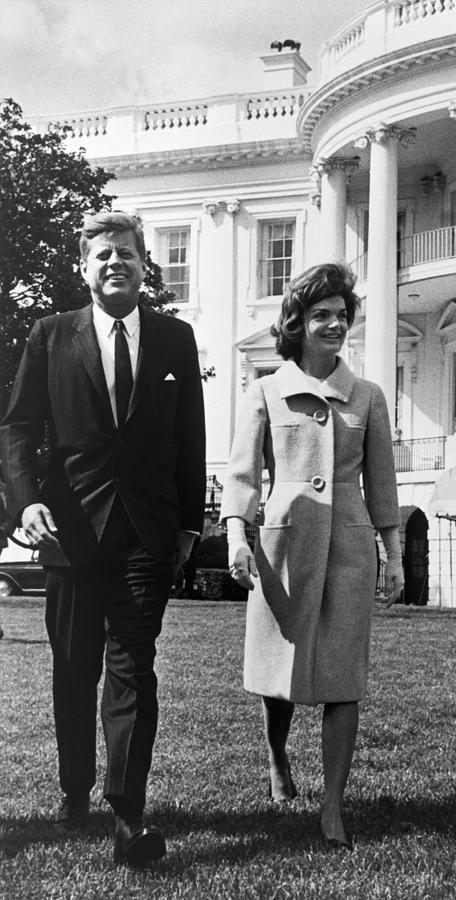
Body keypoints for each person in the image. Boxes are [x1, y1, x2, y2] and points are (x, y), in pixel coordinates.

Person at [0, 211, 206, 866]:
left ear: (145, 265)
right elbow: (16, 428)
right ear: (83, 269)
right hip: (68, 531)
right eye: (102, 256)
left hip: (145, 532)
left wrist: (189, 524)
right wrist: (26, 502)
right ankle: (74, 791)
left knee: (132, 667)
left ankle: (127, 815)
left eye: (126, 254)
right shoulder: (50, 336)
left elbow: (188, 436)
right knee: (73, 668)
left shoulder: (176, 339)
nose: (114, 263)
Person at [221, 262, 404, 851]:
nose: (334, 325)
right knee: (281, 676)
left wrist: (394, 554)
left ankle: (332, 807)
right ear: (296, 323)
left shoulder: (368, 397)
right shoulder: (265, 390)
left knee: (343, 679)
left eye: (341, 316)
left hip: (350, 549)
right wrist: (236, 537)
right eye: (321, 315)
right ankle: (277, 759)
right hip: (284, 549)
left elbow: (383, 485)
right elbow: (244, 474)